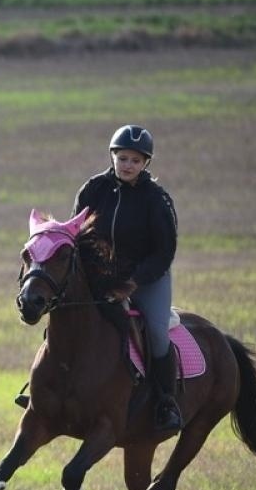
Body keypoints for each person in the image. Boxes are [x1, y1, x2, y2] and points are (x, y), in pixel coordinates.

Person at [69, 124, 182, 431]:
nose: (128, 165)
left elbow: (164, 252)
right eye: (122, 158)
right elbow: (76, 235)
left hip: (146, 279)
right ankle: (50, 388)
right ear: (113, 157)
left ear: (146, 163)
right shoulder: (93, 189)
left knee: (157, 332)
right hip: (100, 277)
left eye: (135, 160)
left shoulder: (157, 199)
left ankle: (166, 402)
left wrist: (132, 283)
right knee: (67, 313)